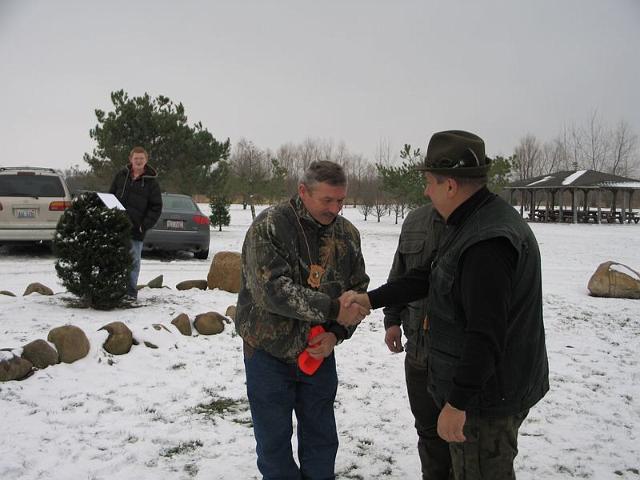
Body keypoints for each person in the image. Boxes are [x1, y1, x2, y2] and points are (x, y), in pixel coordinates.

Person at [340, 130, 549, 480]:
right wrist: (371, 299)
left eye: (429, 183)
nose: (425, 192)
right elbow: (427, 274)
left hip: (486, 399)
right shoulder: (471, 219)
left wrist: (458, 403)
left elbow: (486, 334)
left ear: (449, 185)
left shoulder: (487, 243)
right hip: (482, 390)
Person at [235, 160, 370, 480]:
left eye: (341, 200)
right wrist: (333, 309)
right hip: (268, 352)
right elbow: (271, 291)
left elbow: (358, 292)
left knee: (322, 439)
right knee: (273, 445)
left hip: (319, 354)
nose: (335, 209)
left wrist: (336, 334)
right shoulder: (270, 225)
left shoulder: (347, 234)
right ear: (303, 191)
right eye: (327, 200)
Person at [383, 203, 452, 480]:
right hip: (418, 354)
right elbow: (400, 275)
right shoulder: (414, 220)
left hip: (460, 361)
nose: (426, 190)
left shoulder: (480, 220)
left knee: (465, 438)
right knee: (428, 432)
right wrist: (392, 319)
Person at [109, 146, 162, 299]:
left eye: (141, 158)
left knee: (133, 261)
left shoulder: (152, 182)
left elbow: (156, 207)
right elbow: (110, 196)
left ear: (146, 160)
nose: (138, 161)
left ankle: (130, 292)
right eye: (136, 158)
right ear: (130, 159)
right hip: (116, 226)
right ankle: (113, 290)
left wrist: (143, 225)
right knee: (114, 259)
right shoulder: (121, 176)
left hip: (136, 229)